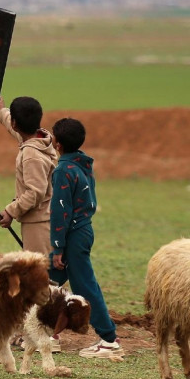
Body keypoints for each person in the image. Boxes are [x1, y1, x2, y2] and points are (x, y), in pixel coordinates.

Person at [47, 118, 122, 359]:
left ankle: (109, 339)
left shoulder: (62, 171)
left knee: (85, 287)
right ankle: (46, 334)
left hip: (73, 236)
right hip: (83, 230)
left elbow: (60, 211)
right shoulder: (82, 164)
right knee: (48, 280)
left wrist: (58, 247)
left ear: (58, 144)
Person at [0, 95, 58, 257]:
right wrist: (2, 110)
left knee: (40, 269)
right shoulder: (41, 139)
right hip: (47, 217)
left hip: (39, 224)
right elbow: (14, 127)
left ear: (15, 123)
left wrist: (10, 211)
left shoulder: (31, 155)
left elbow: (35, 192)